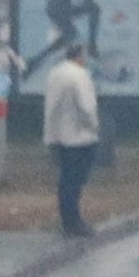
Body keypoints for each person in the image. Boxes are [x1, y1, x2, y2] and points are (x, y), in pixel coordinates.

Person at [43, 40, 103, 237]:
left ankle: (66, 219)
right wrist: (94, 126)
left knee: (65, 179)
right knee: (76, 180)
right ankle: (74, 222)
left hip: (59, 136)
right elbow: (86, 107)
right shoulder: (80, 75)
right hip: (80, 137)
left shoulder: (55, 74)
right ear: (79, 56)